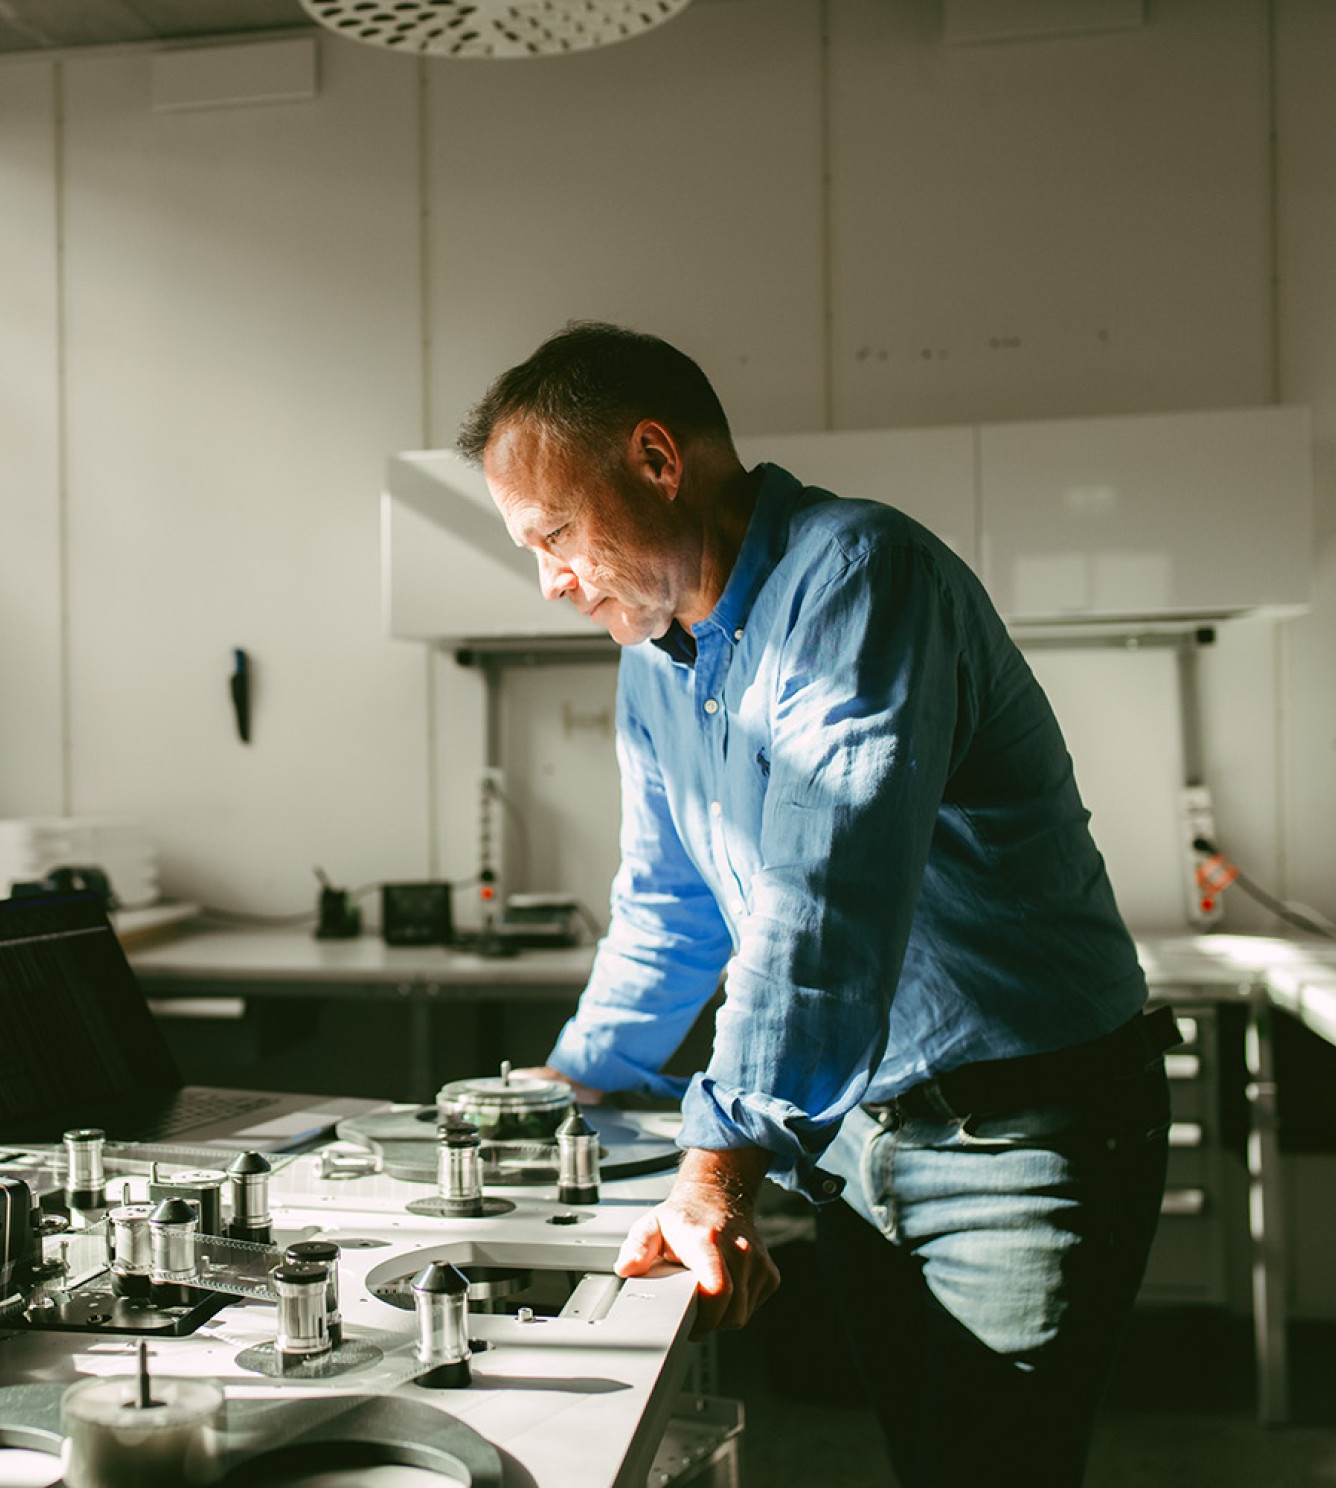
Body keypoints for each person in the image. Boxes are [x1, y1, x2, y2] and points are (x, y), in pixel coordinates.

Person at [455, 322, 1173, 1488]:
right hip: (857, 1137)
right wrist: (576, 1073)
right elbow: (668, 904)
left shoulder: (858, 578)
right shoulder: (656, 660)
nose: (549, 579)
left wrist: (715, 1164)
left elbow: (820, 907)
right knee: (923, 1455)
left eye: (554, 534)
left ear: (654, 458)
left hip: (1020, 1130)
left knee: (991, 1467)